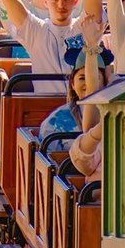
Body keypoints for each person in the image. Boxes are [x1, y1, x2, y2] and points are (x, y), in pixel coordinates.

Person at [38, 17, 108, 150]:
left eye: (95, 78)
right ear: (72, 83)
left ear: (105, 82)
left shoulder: (115, 116)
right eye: (82, 78)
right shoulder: (54, 124)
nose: (88, 83)